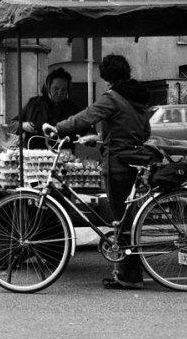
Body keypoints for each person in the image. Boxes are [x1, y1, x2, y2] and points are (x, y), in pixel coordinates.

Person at [51, 54, 151, 290]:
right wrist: (101, 139)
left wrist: (57, 127)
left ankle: (131, 277)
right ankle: (127, 273)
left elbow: (86, 117)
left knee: (121, 221)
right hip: (133, 159)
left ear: (108, 78)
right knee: (128, 219)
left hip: (117, 164)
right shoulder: (137, 97)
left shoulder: (113, 98)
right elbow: (143, 132)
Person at [15, 67, 81, 148]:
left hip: (62, 155)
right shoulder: (33, 104)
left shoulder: (72, 108)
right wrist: (22, 125)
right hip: (33, 155)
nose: (59, 93)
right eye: (56, 89)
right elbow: (13, 124)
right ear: (48, 87)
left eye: (63, 90)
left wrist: (90, 136)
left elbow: (85, 128)